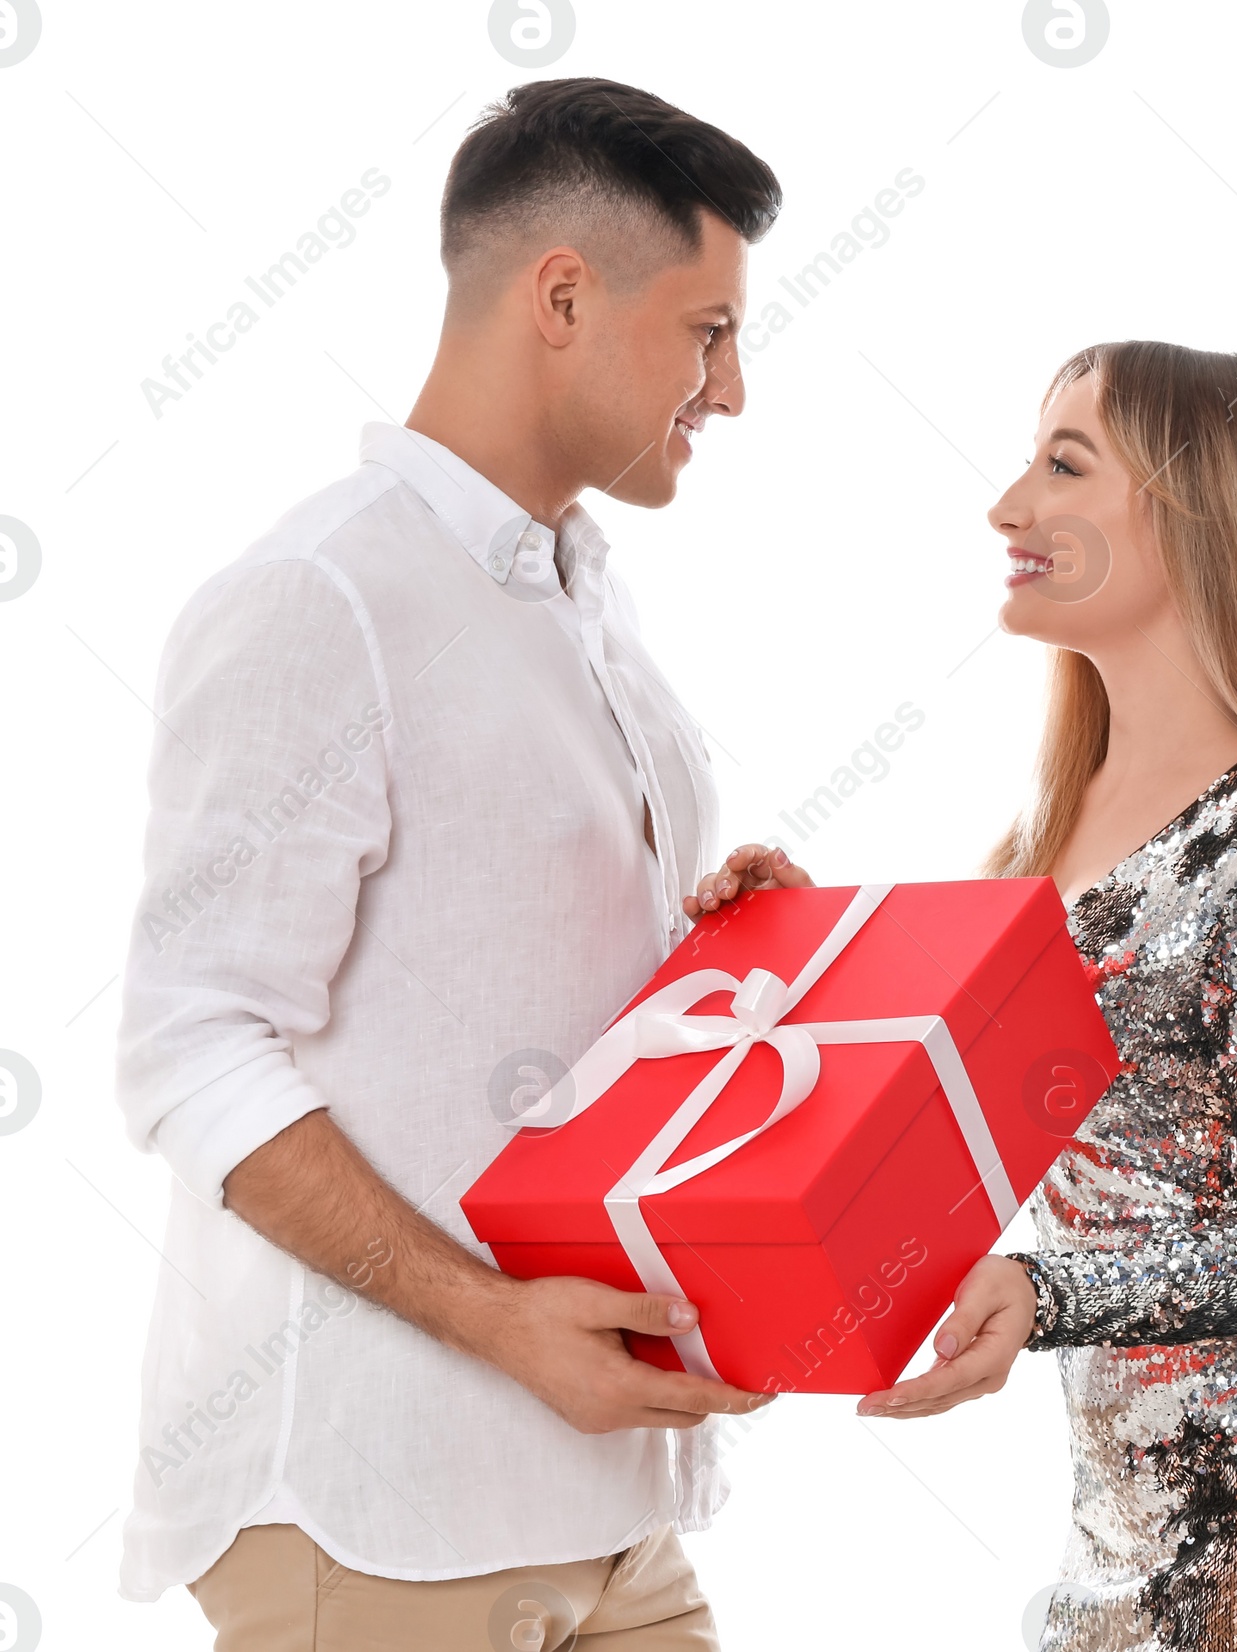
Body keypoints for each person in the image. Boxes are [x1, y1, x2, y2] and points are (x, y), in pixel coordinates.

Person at [114, 77, 802, 1650]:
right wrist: (496, 1322)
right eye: (710, 331)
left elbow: (523, 978)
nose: (736, 389)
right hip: (379, 1521)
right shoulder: (322, 598)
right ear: (561, 295)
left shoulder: (587, 602)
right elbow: (188, 1046)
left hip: (614, 1505)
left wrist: (734, 954)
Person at [691, 343, 1237, 1649]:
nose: (1007, 505)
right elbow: (953, 1093)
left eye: (1065, 465)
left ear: (1203, 519)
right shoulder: (1044, 843)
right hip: (1133, 1522)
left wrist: (1048, 1296)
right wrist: (798, 948)